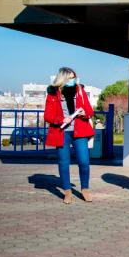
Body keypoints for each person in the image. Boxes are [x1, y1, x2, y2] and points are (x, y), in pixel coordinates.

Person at [44, 67, 95, 204]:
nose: (73, 80)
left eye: (74, 77)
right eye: (70, 78)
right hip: (62, 132)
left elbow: (90, 110)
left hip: (80, 130)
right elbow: (47, 116)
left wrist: (85, 113)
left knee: (84, 161)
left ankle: (85, 189)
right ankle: (67, 192)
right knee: (64, 163)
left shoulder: (80, 90)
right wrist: (61, 120)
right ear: (63, 79)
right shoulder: (53, 93)